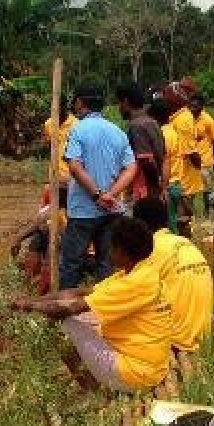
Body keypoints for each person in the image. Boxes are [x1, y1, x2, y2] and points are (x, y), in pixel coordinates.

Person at [12, 216, 173, 392]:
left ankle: (91, 390)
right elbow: (80, 292)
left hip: (137, 374)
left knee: (64, 321)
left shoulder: (134, 283)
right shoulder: (138, 273)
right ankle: (93, 381)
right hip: (148, 365)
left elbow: (70, 307)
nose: (109, 252)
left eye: (112, 247)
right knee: (79, 316)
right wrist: (31, 300)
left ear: (121, 251)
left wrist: (29, 306)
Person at [59, 84, 137, 289]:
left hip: (83, 211)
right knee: (107, 265)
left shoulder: (78, 130)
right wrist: (111, 194)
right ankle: (102, 315)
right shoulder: (118, 132)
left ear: (80, 103)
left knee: (71, 264)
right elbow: (130, 168)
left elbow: (74, 167)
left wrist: (97, 195)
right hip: (112, 210)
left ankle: (64, 314)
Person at [132, 197, 214, 354]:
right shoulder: (184, 242)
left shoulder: (149, 249)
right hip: (202, 335)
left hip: (175, 341)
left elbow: (130, 294)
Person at [163, 79, 202, 234]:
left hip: (184, 180)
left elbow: (190, 152)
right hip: (177, 177)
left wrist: (200, 165)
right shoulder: (177, 118)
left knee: (181, 221)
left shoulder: (184, 118)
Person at [118, 82, 165, 200]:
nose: (119, 107)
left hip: (142, 192)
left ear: (126, 102)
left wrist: (155, 187)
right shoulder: (152, 122)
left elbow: (145, 160)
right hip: (151, 190)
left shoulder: (137, 126)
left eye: (119, 102)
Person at [153, 98, 185, 234]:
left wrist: (163, 187)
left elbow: (164, 161)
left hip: (168, 185)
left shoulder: (162, 134)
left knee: (169, 226)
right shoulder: (173, 132)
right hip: (176, 183)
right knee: (172, 221)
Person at [43, 100, 79, 205]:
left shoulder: (76, 124)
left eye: (59, 109)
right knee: (51, 209)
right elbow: (50, 147)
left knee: (70, 209)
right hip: (55, 176)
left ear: (65, 108)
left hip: (71, 176)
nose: (56, 113)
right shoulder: (49, 124)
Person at [191, 93, 214, 206]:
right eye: (191, 106)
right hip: (191, 161)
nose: (193, 109)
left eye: (195, 106)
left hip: (206, 161)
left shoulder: (208, 120)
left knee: (207, 190)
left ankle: (209, 213)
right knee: (191, 191)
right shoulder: (188, 119)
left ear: (201, 107)